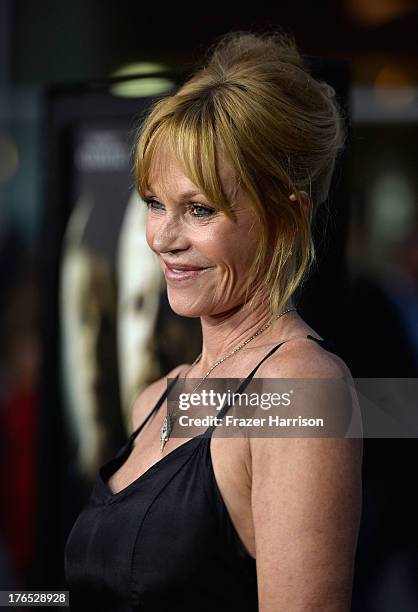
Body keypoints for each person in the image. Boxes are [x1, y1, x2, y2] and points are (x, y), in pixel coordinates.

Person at [64, 29, 363, 611]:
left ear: (287, 214)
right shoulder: (158, 395)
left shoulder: (301, 392)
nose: (164, 239)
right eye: (154, 203)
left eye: (199, 210)